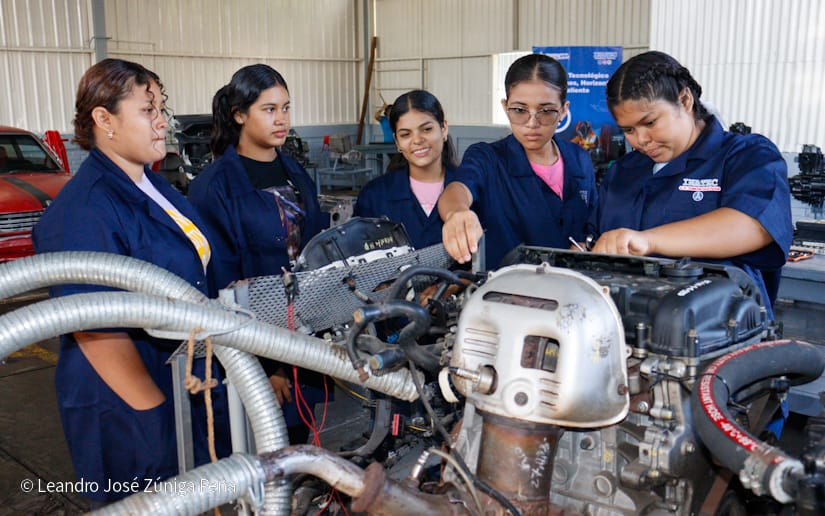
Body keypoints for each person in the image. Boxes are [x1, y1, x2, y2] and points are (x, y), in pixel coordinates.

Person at [32, 59, 230, 505]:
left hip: (181, 382)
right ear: (105, 120)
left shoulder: (154, 187)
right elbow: (94, 328)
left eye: (162, 108)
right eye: (147, 109)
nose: (162, 122)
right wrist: (155, 415)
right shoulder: (83, 210)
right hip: (130, 404)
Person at [588, 50, 792, 318]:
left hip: (718, 327)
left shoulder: (745, 156)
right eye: (628, 130)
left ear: (684, 100)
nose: (641, 140)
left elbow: (753, 225)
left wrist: (648, 241)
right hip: (627, 326)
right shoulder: (624, 172)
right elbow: (593, 239)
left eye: (650, 122)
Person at [187, 64, 328, 444]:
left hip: (302, 335)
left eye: (286, 108)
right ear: (239, 115)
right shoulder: (214, 187)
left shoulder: (294, 172)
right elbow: (223, 283)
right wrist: (267, 364)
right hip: (253, 347)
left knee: (300, 442)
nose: (281, 119)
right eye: (269, 109)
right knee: (260, 445)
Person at [438, 53, 598, 269]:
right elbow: (458, 189)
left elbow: (592, 223)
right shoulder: (488, 158)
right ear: (505, 107)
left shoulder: (579, 159)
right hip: (507, 287)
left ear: (563, 110)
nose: (532, 123)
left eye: (546, 111)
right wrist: (456, 213)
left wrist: (586, 245)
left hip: (572, 282)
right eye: (520, 110)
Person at [354, 89, 458, 249]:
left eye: (427, 129)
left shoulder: (469, 190)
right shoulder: (374, 195)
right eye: (405, 134)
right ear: (397, 142)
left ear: (443, 129)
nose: (417, 140)